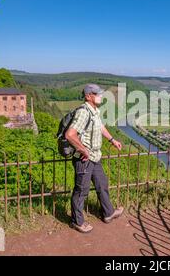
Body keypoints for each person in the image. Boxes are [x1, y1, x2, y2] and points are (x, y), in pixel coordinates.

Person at [65, 84, 124, 233]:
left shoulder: (94, 111)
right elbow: (70, 134)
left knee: (101, 184)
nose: (101, 96)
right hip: (84, 159)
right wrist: (83, 150)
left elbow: (100, 127)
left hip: (95, 157)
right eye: (97, 94)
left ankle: (108, 213)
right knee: (81, 191)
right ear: (88, 96)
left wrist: (112, 140)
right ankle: (77, 222)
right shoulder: (84, 112)